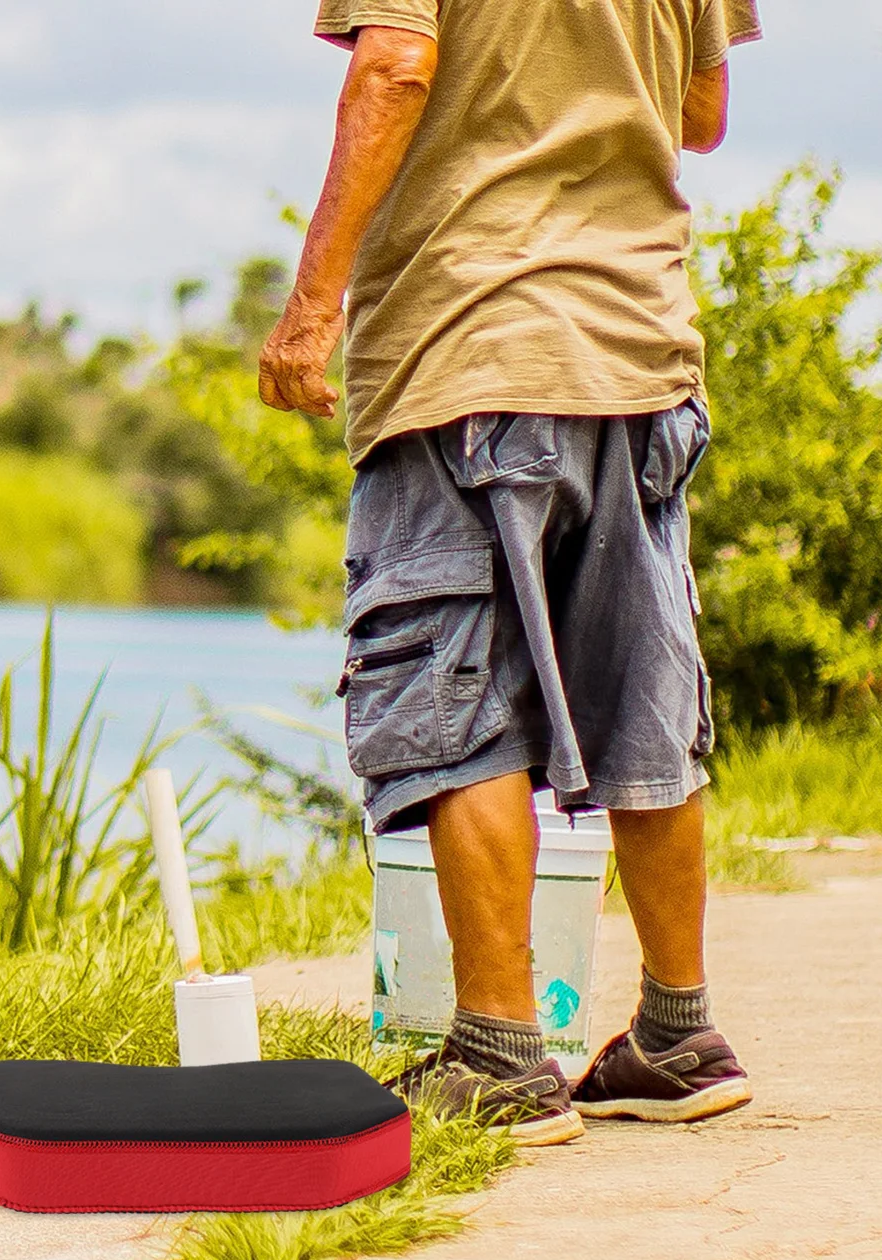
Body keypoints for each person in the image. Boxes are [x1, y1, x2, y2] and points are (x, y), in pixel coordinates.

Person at [260, 0, 763, 1145]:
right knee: (644, 688)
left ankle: (495, 1051)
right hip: (638, 352)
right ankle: (676, 1033)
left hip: (468, 346)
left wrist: (310, 309)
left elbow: (394, 67)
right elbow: (699, 111)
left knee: (453, 695)